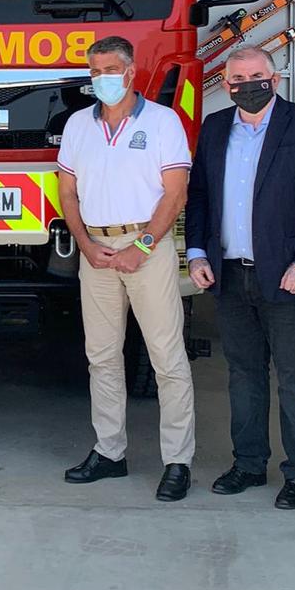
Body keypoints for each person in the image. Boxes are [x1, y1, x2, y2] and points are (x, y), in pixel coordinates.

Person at [185, 46, 295, 510]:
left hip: (291, 278)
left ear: (274, 77)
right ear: (226, 85)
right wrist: (195, 253)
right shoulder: (213, 129)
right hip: (229, 274)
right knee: (244, 375)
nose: (247, 84)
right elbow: (200, 196)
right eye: (237, 79)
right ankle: (248, 463)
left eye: (256, 75)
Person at [58, 36, 196, 502]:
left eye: (111, 69)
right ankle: (109, 452)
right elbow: (67, 191)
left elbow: (174, 193)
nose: (102, 79)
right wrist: (84, 244)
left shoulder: (162, 121)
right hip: (95, 248)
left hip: (146, 246)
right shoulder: (78, 124)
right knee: (101, 356)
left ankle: (177, 461)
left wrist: (142, 245)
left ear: (132, 72)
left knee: (166, 357)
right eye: (95, 71)